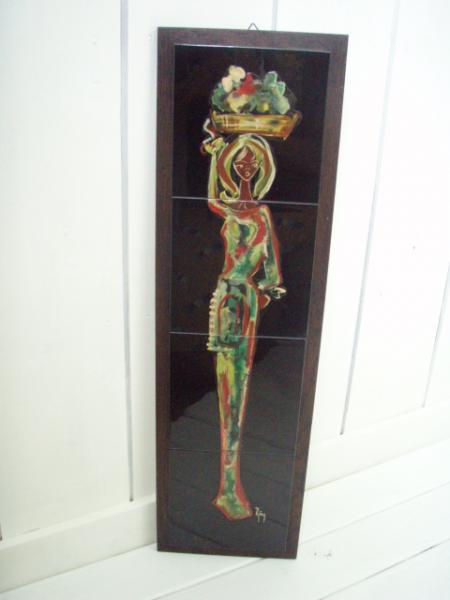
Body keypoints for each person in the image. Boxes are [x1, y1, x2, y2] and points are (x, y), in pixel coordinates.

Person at [202, 130, 286, 520]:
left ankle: (231, 487)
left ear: (262, 166)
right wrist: (214, 153)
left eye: (253, 160)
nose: (246, 166)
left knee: (241, 387)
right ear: (231, 167)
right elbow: (211, 199)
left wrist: (263, 293)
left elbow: (272, 273)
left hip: (246, 301)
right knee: (227, 389)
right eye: (240, 161)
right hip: (228, 300)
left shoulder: (263, 214)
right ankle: (226, 488)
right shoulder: (229, 209)